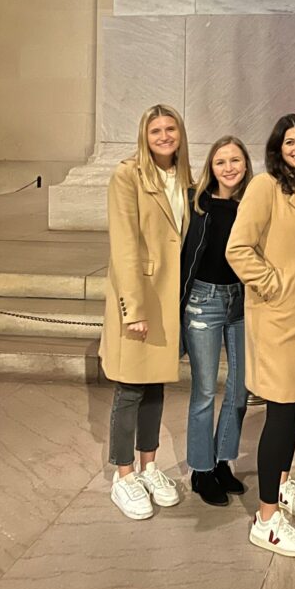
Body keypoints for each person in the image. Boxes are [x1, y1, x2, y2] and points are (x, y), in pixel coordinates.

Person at [226, 115, 295, 558]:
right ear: (277, 146)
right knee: (282, 415)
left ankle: (284, 485)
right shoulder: (265, 186)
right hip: (281, 317)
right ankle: (266, 519)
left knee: (294, 410)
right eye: (291, 141)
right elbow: (238, 248)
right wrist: (274, 285)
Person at [99, 104, 192, 520]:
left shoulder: (186, 178)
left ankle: (149, 465)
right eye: (156, 130)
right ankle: (124, 475)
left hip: (168, 298)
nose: (164, 136)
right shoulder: (128, 175)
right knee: (130, 388)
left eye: (170, 128)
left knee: (155, 385)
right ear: (145, 135)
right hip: (141, 297)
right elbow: (123, 244)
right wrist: (132, 308)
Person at [180, 136, 253, 506]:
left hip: (240, 302)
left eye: (235, 160)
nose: (229, 167)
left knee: (240, 390)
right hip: (203, 302)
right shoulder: (198, 203)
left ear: (245, 164)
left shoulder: (253, 204)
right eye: (221, 161)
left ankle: (223, 461)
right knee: (205, 390)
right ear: (211, 166)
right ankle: (201, 470)